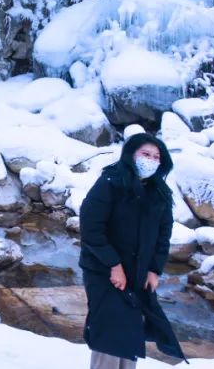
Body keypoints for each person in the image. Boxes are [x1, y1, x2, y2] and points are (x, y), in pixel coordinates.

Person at [79, 133, 185, 369]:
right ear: (131, 154)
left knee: (130, 332)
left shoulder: (159, 193)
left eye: (156, 157)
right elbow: (91, 228)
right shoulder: (110, 183)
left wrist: (154, 270)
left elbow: (163, 235)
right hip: (104, 272)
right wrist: (113, 265)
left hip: (137, 273)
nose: (151, 160)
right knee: (109, 331)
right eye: (145, 154)